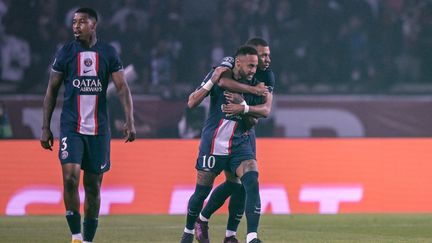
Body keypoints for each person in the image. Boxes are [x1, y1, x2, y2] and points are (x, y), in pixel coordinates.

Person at [40, 8, 136, 243]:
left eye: (82, 22)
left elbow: (122, 88)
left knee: (93, 186)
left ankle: (88, 240)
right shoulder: (65, 53)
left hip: (98, 130)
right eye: (74, 22)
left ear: (94, 26)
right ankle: (75, 236)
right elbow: (52, 90)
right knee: (70, 179)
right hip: (71, 127)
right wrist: (45, 126)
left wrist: (129, 120)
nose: (76, 26)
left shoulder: (109, 53)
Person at [180, 45, 265, 243]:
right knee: (202, 191)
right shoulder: (220, 77)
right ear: (238, 63)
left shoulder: (255, 84)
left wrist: (242, 106)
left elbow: (253, 121)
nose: (254, 70)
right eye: (250, 66)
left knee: (249, 181)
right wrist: (213, 78)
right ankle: (188, 231)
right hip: (214, 144)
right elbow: (192, 102)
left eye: (256, 66)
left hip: (239, 145)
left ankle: (250, 237)